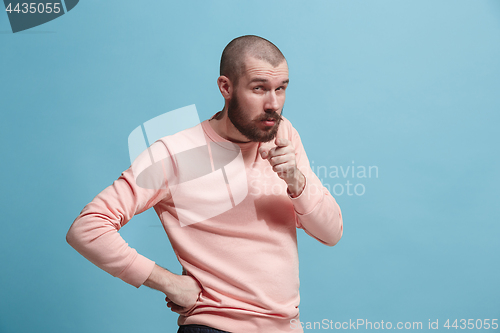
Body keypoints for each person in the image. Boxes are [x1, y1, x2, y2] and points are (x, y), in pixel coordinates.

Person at [66, 35, 343, 333]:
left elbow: (331, 233)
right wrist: (168, 283)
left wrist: (296, 181)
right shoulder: (174, 154)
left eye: (281, 88)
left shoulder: (284, 135)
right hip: (214, 327)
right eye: (259, 88)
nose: (273, 104)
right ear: (226, 87)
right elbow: (87, 228)